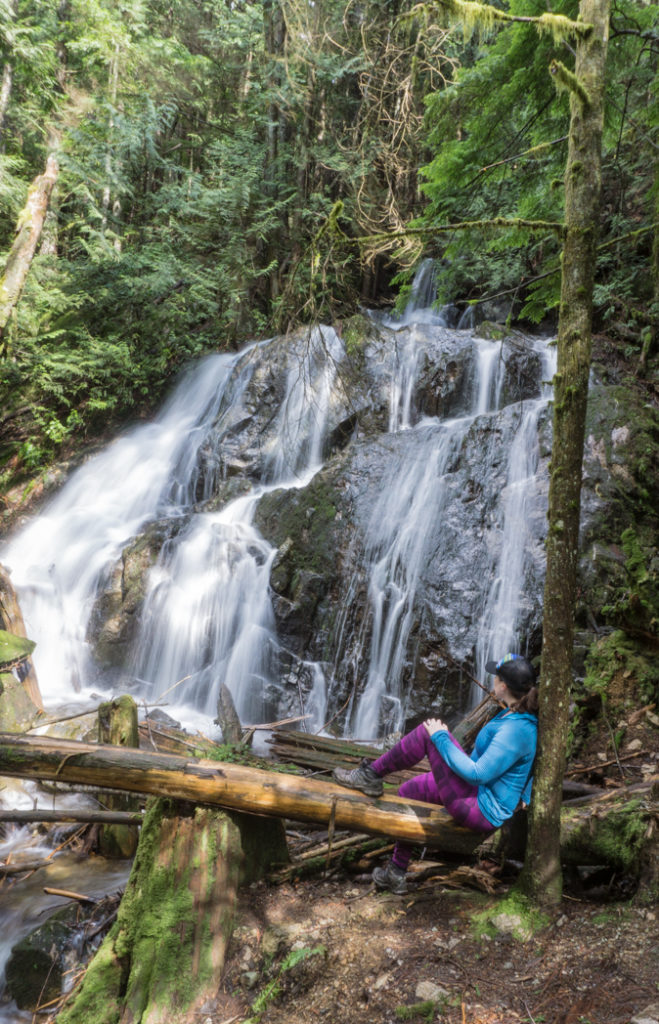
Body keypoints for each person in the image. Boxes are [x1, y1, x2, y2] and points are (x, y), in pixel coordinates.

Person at [333, 653, 539, 894]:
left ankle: (370, 775)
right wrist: (525, 794)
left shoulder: (516, 730)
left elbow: (477, 774)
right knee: (407, 791)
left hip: (480, 808)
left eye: (496, 676)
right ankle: (396, 873)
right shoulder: (515, 714)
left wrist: (440, 737)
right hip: (478, 794)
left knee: (427, 733)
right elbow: (532, 758)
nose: (492, 679)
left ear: (503, 685)